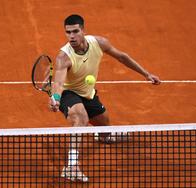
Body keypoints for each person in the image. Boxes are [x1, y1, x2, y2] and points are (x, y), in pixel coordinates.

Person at [49, 14, 161, 182]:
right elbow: (58, 83)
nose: (71, 36)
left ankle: (104, 136)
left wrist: (146, 74)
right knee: (80, 118)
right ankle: (71, 167)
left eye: (75, 31)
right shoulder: (63, 57)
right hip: (68, 92)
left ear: (83, 30)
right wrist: (56, 98)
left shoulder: (98, 43)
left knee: (105, 127)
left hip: (87, 92)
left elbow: (122, 57)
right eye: (68, 32)